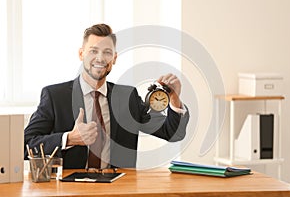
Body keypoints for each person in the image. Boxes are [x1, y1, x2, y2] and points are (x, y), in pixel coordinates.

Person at [24, 23, 189, 169]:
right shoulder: (55, 96)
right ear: (81, 54)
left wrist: (174, 99)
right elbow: (25, 145)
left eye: (107, 52)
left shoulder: (127, 97)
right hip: (69, 189)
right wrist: (69, 138)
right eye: (93, 51)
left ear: (114, 58)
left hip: (119, 187)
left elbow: (173, 134)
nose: (100, 58)